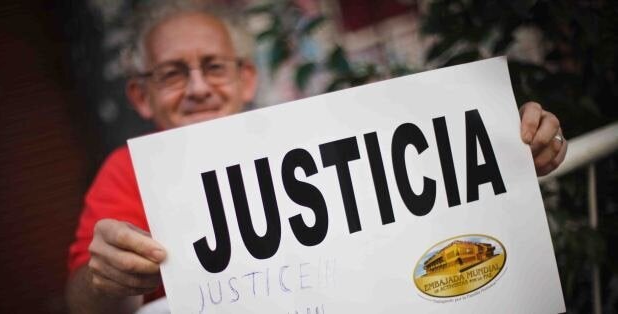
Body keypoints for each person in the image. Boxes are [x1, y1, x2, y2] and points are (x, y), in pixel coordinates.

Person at [65, 2, 568, 313]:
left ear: (245, 78)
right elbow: (80, 302)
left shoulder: (311, 140)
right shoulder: (124, 174)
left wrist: (512, 150)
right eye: (173, 73)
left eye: (213, 67)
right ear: (139, 96)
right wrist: (103, 279)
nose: (197, 88)